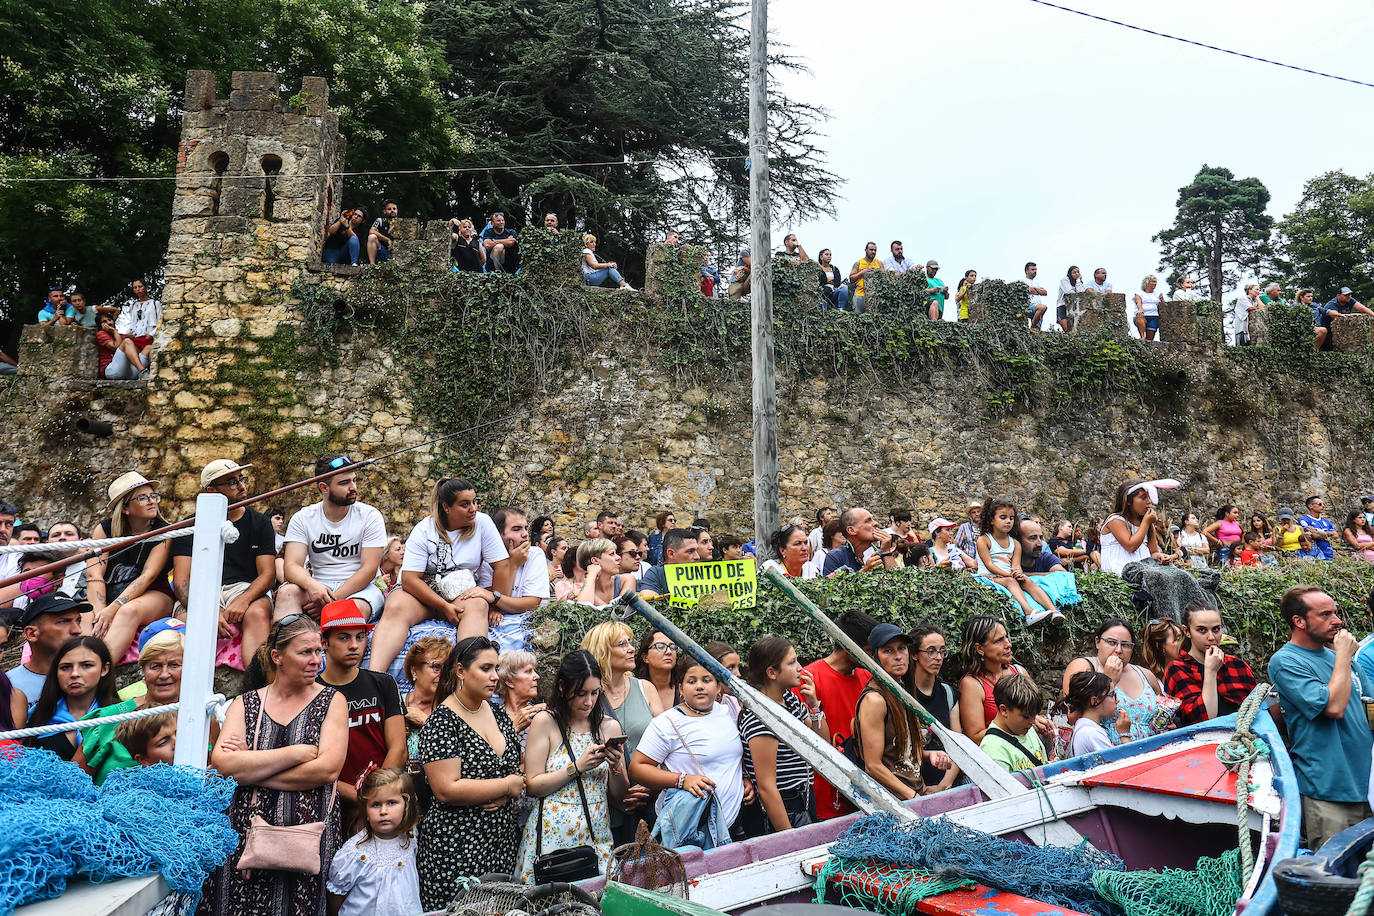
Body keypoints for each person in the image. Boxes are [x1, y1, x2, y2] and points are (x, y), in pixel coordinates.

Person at [208, 614, 348, 916]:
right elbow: (224, 767)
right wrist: (296, 753)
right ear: (277, 656)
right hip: (246, 837)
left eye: (318, 651)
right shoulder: (244, 704)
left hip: (307, 838)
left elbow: (326, 770)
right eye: (305, 652)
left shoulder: (332, 701)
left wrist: (252, 768)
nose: (316, 660)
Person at [418, 636, 525, 908]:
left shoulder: (498, 713)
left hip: (499, 839)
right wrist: (505, 787)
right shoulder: (442, 722)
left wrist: (508, 790)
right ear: (461, 671)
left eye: (496, 669)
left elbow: (514, 768)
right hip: (457, 844)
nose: (494, 677)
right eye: (485, 668)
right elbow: (446, 789)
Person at [370, 478, 511, 673]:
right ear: (446, 507)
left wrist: (496, 604)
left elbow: (502, 565)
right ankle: (374, 676)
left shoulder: (483, 523)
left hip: (461, 595)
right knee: (395, 604)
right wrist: (443, 606)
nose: (473, 509)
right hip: (424, 595)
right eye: (465, 504)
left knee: (479, 604)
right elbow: (410, 579)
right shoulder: (424, 529)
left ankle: (469, 678)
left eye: (474, 502)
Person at [1269, 586, 1373, 849]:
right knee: (1336, 882)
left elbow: (1370, 710)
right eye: (1325, 615)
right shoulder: (1286, 661)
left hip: (1367, 788)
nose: (1337, 621)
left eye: (1335, 613)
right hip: (1328, 793)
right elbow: (1334, 707)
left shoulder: (1343, 659)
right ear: (1299, 621)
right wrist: (1343, 658)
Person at [515, 650, 627, 881]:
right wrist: (576, 767)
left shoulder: (609, 727)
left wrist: (615, 768)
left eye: (595, 693)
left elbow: (620, 795)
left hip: (596, 833)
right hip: (551, 838)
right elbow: (533, 785)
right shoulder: (546, 722)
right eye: (581, 693)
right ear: (563, 688)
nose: (589, 701)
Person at [629, 654, 748, 850]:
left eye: (707, 680)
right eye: (691, 681)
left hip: (731, 825)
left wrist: (745, 778)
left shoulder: (728, 713)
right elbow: (637, 768)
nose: (699, 686)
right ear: (681, 689)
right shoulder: (666, 723)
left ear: (719, 686)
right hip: (689, 831)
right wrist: (682, 780)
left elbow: (733, 756)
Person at [171, 459, 275, 666]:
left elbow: (267, 575)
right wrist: (208, 610)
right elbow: (182, 581)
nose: (242, 486)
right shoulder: (189, 526)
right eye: (232, 482)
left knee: (257, 613)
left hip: (245, 588)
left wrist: (244, 600)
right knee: (185, 621)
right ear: (212, 491)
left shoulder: (260, 522)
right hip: (202, 591)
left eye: (241, 479)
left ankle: (258, 686)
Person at [317, 599, 406, 815]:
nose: (354, 645)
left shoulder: (383, 683)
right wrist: (356, 795)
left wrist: (377, 796)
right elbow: (312, 762)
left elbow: (399, 748)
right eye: (343, 638)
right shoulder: (313, 692)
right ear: (324, 642)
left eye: (360, 636)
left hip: (383, 801)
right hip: (331, 804)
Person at [279, 454, 388, 624]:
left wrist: (331, 600)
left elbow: (369, 569)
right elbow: (291, 567)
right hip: (318, 585)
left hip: (361, 590)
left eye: (353, 480)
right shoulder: (303, 518)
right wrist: (312, 586)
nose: (353, 487)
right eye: (344, 483)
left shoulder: (370, 516)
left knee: (353, 611)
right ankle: (283, 645)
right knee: (286, 594)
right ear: (324, 487)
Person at [76, 620, 187, 784]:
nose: (164, 674)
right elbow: (72, 784)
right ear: (143, 670)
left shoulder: (203, 717)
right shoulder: (109, 719)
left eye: (174, 665)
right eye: (155, 666)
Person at [737, 637, 827, 834]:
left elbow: (822, 744)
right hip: (784, 808)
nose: (800, 668)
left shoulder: (789, 699)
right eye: (792, 662)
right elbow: (767, 787)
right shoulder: (761, 718)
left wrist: (813, 705)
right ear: (771, 673)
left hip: (804, 797)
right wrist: (789, 838)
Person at [852, 623, 952, 800]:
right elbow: (873, 766)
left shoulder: (902, 689)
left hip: (916, 792)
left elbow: (899, 748)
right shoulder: (875, 699)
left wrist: (929, 755)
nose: (898, 657)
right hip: (892, 804)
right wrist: (913, 798)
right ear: (875, 657)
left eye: (902, 649)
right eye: (888, 651)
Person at [581, 621, 658, 844]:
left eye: (630, 642)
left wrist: (652, 783)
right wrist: (616, 796)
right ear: (603, 652)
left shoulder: (645, 688)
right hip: (605, 807)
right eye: (621, 644)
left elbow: (669, 744)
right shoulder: (588, 698)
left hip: (650, 800)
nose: (631, 648)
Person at [88, 472, 175, 663]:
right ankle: (81, 662)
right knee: (87, 615)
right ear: (125, 508)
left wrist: (114, 608)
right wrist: (100, 609)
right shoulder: (105, 529)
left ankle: (99, 670)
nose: (152, 501)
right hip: (111, 590)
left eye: (153, 496)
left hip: (154, 593)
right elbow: (94, 572)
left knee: (128, 611)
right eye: (143, 498)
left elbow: (148, 576)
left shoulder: (164, 532)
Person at [326, 768, 422, 916]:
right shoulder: (355, 852)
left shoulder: (410, 835)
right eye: (376, 804)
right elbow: (337, 894)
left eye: (391, 803)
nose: (383, 811)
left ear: (406, 805)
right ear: (366, 810)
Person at [1061, 618, 1167, 741]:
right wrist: (1108, 680)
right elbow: (1072, 717)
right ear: (1097, 642)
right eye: (1111, 642)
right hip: (1107, 751)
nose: (1118, 650)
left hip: (1154, 749)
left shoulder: (1145, 674)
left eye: (1126, 645)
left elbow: (1163, 712)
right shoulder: (1084, 667)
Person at [24, 635, 118, 762]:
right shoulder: (36, 716)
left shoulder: (121, 715)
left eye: (87, 665)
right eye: (65, 667)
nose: (74, 674)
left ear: (104, 669)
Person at [1165, 605, 1258, 725]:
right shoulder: (1178, 668)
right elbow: (1203, 721)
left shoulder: (1237, 665)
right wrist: (1211, 672)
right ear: (1187, 631)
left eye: (1216, 629)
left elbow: (1258, 707)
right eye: (1202, 630)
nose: (1211, 637)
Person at [974, 498, 1060, 625]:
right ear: (991, 520)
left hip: (1009, 575)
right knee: (1011, 581)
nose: (1008, 521)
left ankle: (1054, 611)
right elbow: (989, 565)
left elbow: (1015, 565)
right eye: (1003, 517)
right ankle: (1029, 612)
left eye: (1011, 518)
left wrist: (1018, 573)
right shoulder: (984, 540)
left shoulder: (1015, 543)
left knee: (1027, 580)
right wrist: (1009, 575)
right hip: (989, 577)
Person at [480, 507, 551, 652]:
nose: (525, 534)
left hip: (529, 623)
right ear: (497, 535)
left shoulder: (534, 554)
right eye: (517, 529)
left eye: (525, 528)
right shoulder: (486, 561)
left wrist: (497, 602)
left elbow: (531, 603)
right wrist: (512, 565)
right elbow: (487, 601)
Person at [957, 615, 1033, 745]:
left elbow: (1035, 714)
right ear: (979, 649)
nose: (1008, 644)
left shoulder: (1019, 672)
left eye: (1006, 637)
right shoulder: (972, 684)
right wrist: (1019, 726)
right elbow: (976, 736)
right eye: (998, 641)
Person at [5, 592, 85, 714]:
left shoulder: (90, 675)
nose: (78, 630)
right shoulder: (8, 685)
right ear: (32, 633)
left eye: (78, 621)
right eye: (63, 621)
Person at [908, 625, 962, 792]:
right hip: (914, 786)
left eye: (942, 651)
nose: (938, 657)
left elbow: (958, 745)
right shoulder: (903, 695)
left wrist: (944, 785)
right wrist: (922, 788)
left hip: (950, 783)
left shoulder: (948, 694)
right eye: (931, 651)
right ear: (915, 654)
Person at [980, 674, 1053, 773]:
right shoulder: (993, 748)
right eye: (1026, 716)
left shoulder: (1026, 728)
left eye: (1035, 715)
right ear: (1004, 710)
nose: (1033, 722)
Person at [400, 636, 448, 782]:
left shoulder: (452, 708)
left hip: (438, 787)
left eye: (447, 668)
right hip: (399, 787)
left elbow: (461, 749)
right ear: (414, 671)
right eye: (436, 667)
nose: (443, 674)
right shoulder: (395, 703)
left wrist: (425, 722)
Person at [1099, 479, 1172, 576]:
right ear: (1128, 501)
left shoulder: (1146, 523)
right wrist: (1146, 523)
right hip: (1120, 574)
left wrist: (1160, 556)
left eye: (1149, 497)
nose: (1149, 501)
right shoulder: (1115, 520)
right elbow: (1130, 546)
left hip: (1145, 571)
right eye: (1143, 498)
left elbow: (1153, 552)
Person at [1058, 671, 1130, 757]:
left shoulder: (1088, 729)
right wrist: (1125, 735)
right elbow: (1119, 767)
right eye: (1112, 694)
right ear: (1095, 701)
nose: (1117, 700)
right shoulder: (1091, 734)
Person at [495, 648, 546, 745]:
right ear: (509, 681)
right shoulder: (492, 717)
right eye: (528, 671)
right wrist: (515, 728)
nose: (537, 676)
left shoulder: (540, 713)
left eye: (534, 671)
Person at [821, 506, 891, 576]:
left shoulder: (882, 553)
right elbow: (829, 585)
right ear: (851, 530)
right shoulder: (836, 557)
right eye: (868, 521)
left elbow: (899, 582)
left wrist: (887, 552)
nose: (876, 523)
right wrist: (864, 571)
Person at [112, 279, 161, 376]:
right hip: (136, 337)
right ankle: (139, 372)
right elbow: (133, 323)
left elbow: (160, 321)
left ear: (145, 288)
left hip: (148, 337)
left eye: (140, 286)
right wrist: (129, 333)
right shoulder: (133, 305)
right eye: (135, 287)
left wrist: (151, 334)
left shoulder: (155, 304)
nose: (138, 289)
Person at [636, 528, 699, 595]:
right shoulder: (657, 573)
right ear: (671, 554)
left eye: (697, 551)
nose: (697, 556)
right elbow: (647, 597)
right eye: (690, 551)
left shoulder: (705, 572)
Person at [576, 537, 637, 606]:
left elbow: (620, 612)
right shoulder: (586, 589)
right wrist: (592, 574)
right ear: (595, 561)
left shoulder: (626, 580)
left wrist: (595, 599)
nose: (618, 558)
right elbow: (583, 607)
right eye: (611, 554)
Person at [636, 629, 679, 712]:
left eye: (672, 647)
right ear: (645, 657)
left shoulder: (684, 689)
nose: (669, 652)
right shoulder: (636, 690)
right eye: (660, 647)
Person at [1298, 495, 1337, 561]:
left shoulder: (1327, 521)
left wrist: (1318, 533)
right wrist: (1328, 535)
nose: (1323, 506)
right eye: (1320, 504)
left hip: (1329, 554)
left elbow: (1336, 536)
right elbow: (1312, 535)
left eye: (1323, 504)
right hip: (1314, 556)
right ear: (1310, 506)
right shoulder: (1304, 520)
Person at [848, 242, 882, 314]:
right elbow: (851, 279)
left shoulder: (879, 263)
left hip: (874, 295)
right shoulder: (858, 263)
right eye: (871, 250)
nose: (873, 252)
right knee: (858, 318)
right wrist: (862, 272)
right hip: (860, 294)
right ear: (866, 250)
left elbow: (884, 278)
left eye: (875, 250)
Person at [1228, 282, 1262, 346]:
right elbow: (1250, 308)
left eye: (1259, 290)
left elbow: (1262, 308)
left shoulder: (1255, 301)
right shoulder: (1243, 299)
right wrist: (1258, 307)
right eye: (1256, 289)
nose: (1258, 292)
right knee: (1242, 346)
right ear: (1250, 291)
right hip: (1242, 328)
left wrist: (1258, 299)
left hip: (1251, 328)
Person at [1133, 275, 1163, 340]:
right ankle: (1142, 337)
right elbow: (1138, 302)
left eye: (1155, 282)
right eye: (1153, 282)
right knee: (1139, 316)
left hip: (1154, 315)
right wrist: (1140, 309)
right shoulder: (1139, 294)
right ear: (1147, 283)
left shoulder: (1157, 294)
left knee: (1150, 339)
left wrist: (1162, 300)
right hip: (1143, 315)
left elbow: (1162, 305)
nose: (1155, 283)